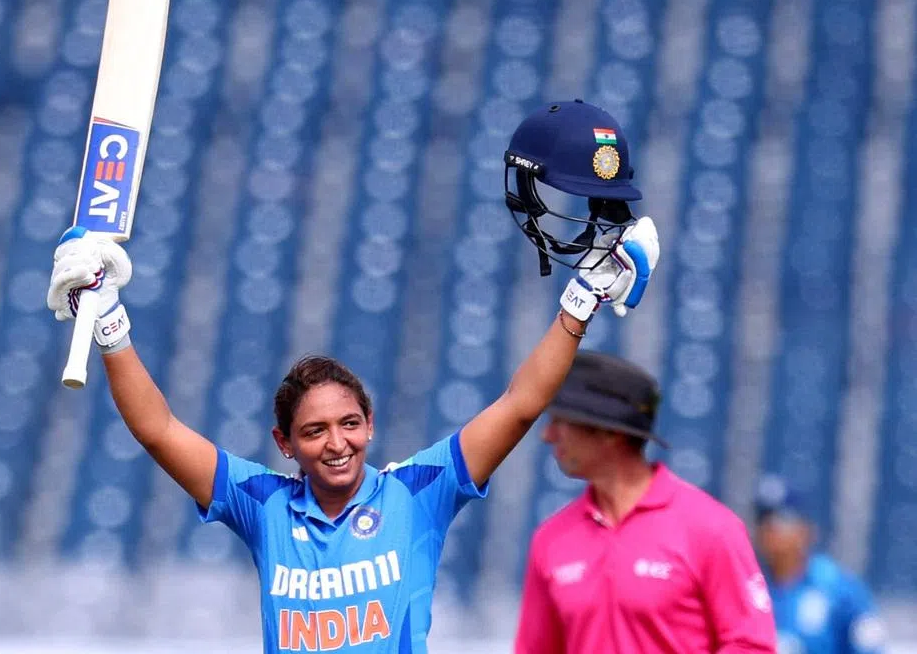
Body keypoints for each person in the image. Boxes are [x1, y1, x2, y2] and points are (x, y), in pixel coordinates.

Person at [47, 100, 659, 652]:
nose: (336, 443)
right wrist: (111, 324)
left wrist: (580, 303)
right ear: (284, 444)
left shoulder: (418, 494)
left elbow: (521, 405)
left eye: (348, 423)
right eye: (313, 432)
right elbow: (157, 429)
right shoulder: (262, 505)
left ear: (370, 425)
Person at [514, 351, 778, 653]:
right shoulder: (550, 540)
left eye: (561, 421)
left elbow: (751, 645)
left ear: (609, 432)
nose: (548, 435)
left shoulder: (711, 528)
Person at [752, 474, 887, 654]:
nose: (771, 531)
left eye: (781, 521)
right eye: (763, 521)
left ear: (805, 529)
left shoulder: (836, 587)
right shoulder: (749, 588)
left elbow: (869, 645)